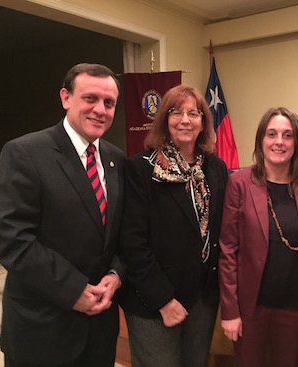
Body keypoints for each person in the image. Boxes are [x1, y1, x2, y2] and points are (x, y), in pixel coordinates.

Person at [0, 63, 125, 366]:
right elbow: (10, 238)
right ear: (66, 98)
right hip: (42, 329)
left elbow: (123, 233)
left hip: (100, 329)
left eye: (109, 103)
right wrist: (72, 289)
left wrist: (116, 275)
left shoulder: (117, 160)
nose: (100, 109)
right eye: (90, 98)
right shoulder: (25, 153)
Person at [119, 84, 228, 367]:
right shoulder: (142, 168)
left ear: (203, 121)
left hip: (202, 297)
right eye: (176, 112)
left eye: (194, 113)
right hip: (155, 301)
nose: (185, 119)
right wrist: (163, 300)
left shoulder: (214, 168)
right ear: (164, 119)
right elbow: (132, 242)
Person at [219, 107, 298, 367]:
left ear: (297, 142)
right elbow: (228, 250)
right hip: (250, 309)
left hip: (296, 307)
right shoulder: (240, 183)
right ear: (261, 140)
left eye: (287, 135)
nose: (279, 142)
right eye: (271, 134)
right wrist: (229, 311)